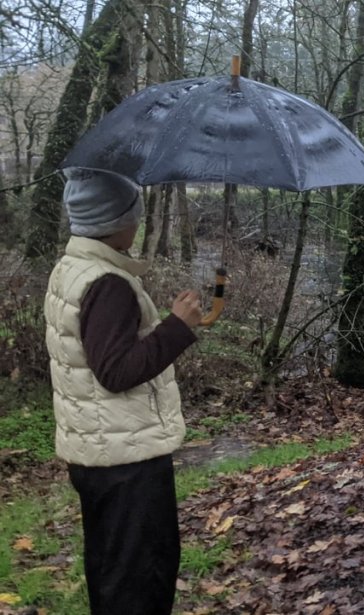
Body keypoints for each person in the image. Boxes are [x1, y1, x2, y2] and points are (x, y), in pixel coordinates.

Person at [43, 168, 203, 615]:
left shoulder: (73, 267)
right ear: (117, 221)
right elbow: (115, 371)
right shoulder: (107, 283)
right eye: (136, 212)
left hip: (101, 451)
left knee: (113, 572)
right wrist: (177, 327)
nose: (141, 221)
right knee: (140, 583)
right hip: (126, 463)